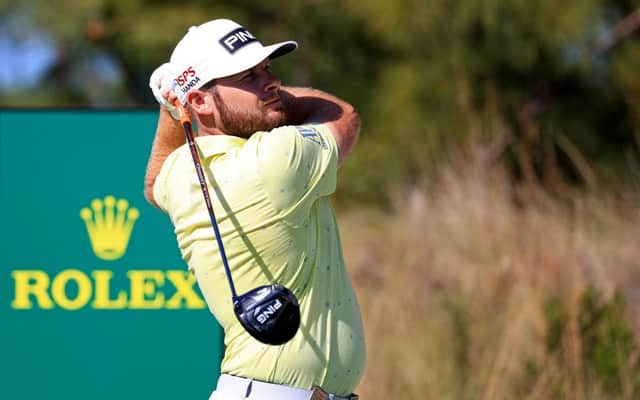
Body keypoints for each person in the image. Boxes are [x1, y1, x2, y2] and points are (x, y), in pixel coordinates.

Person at [145, 18, 365, 400]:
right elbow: (343, 116)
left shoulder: (183, 174)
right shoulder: (275, 160)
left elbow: (156, 181)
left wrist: (171, 105)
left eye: (268, 69)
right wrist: (179, 98)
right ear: (200, 100)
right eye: (248, 77)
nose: (273, 82)